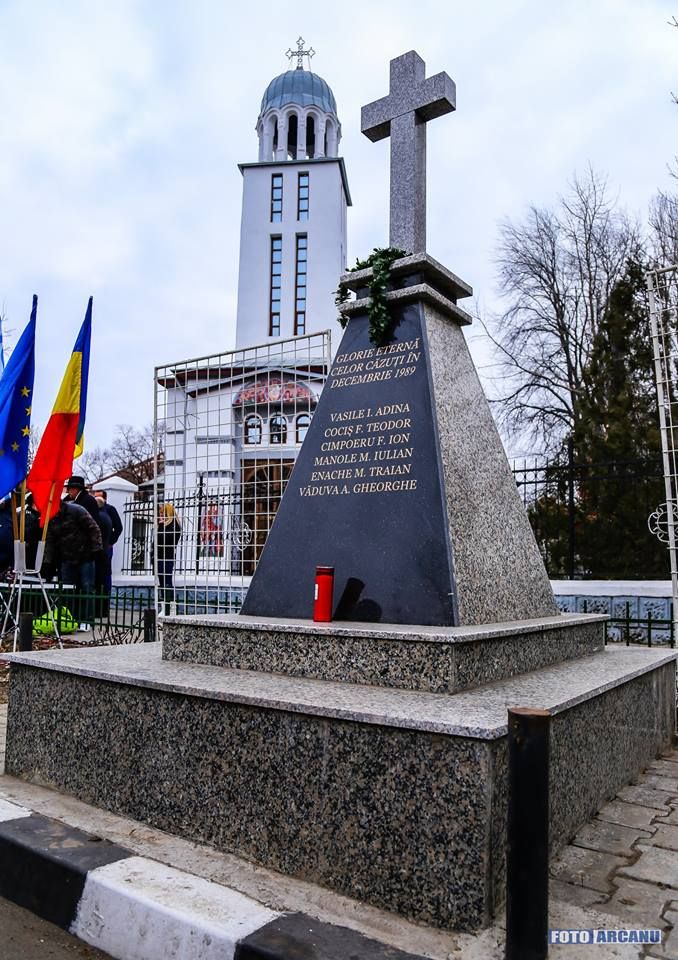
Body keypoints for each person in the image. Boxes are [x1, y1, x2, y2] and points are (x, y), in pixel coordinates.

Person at [44, 500, 103, 630]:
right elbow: (49, 541)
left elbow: (93, 529)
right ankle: (69, 618)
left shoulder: (76, 510)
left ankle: (87, 620)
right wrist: (47, 563)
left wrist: (96, 550)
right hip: (67, 557)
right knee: (67, 589)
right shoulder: (51, 517)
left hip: (85, 555)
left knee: (87, 587)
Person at [156, 503, 181, 615]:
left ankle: (169, 607)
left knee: (166, 581)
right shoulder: (165, 525)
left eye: (163, 514)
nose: (161, 516)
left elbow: (164, 539)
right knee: (162, 582)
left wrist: (161, 526)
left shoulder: (174, 526)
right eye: (160, 514)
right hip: (161, 557)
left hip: (167, 557)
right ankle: (164, 606)